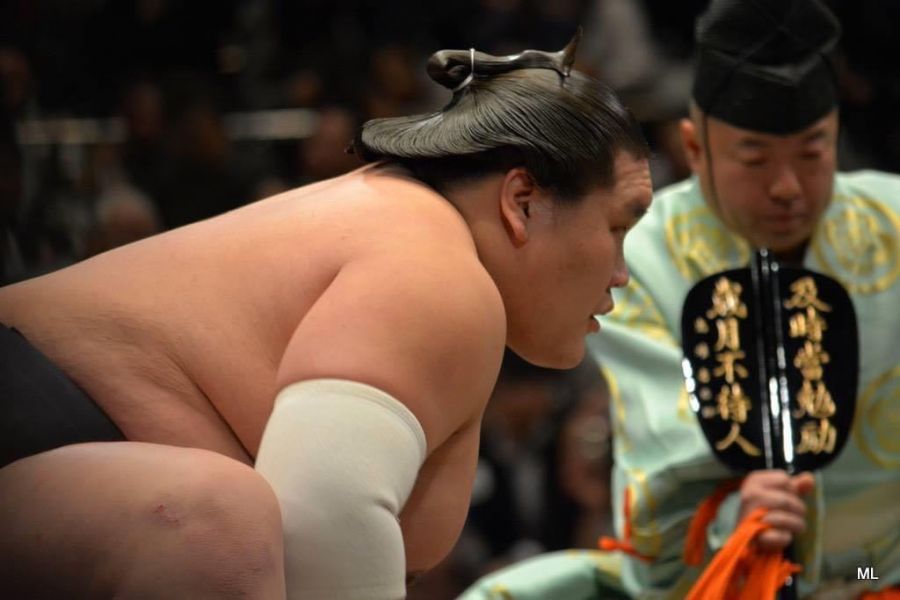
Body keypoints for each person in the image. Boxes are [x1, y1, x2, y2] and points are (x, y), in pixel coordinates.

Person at [0, 36, 652, 599]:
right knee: (219, 522)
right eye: (618, 228)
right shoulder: (434, 266)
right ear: (523, 200)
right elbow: (324, 515)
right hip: (26, 412)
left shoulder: (409, 230)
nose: (622, 273)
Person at [461, 0, 900, 598]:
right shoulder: (644, 253)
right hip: (723, 566)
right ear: (694, 148)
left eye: (812, 152)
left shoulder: (892, 218)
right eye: (754, 159)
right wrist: (731, 509)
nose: (787, 187)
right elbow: (662, 438)